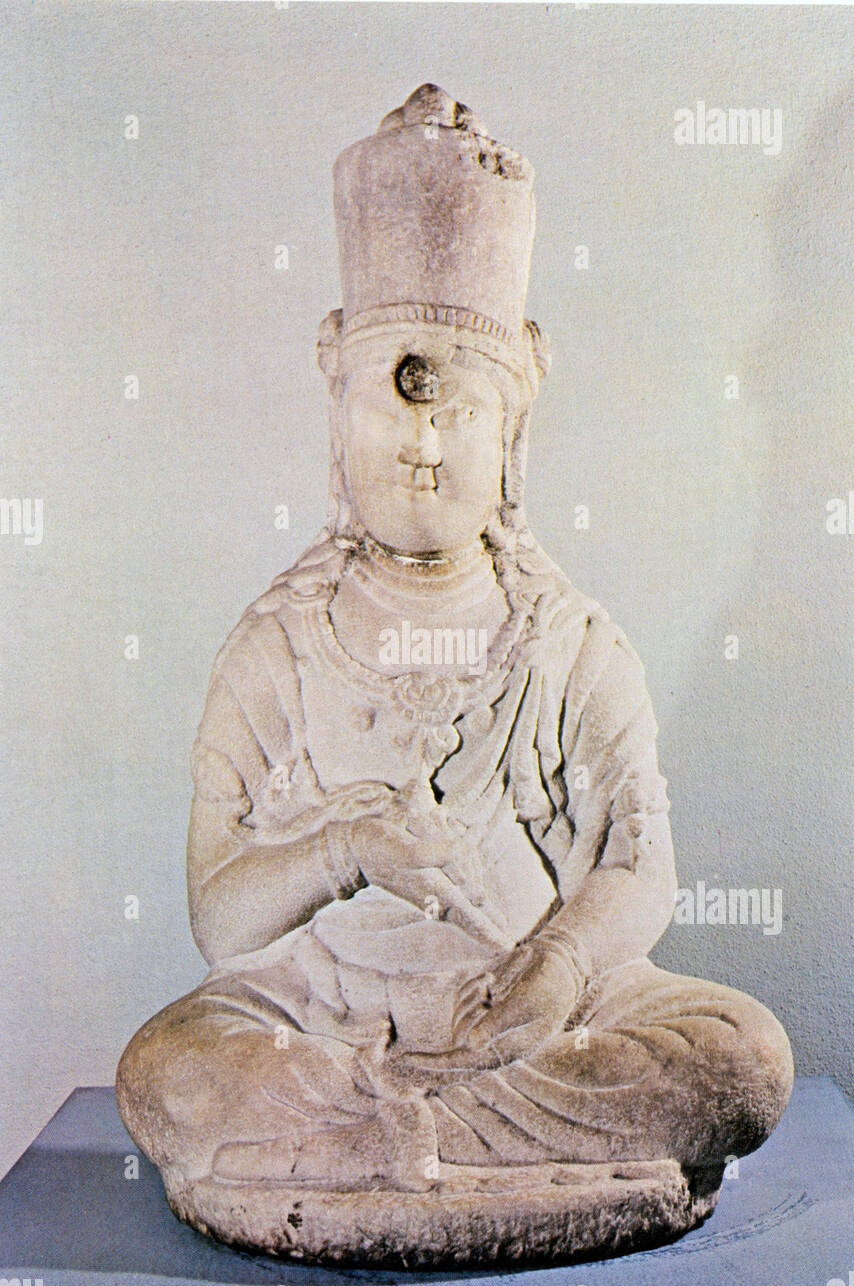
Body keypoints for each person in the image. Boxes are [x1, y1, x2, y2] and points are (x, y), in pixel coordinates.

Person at [118, 84, 792, 1211]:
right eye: (391, 403)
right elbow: (221, 920)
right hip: (322, 1019)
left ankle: (384, 1146)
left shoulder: (571, 645)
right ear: (335, 403)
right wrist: (347, 847)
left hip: (539, 1021)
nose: (422, 446)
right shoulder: (276, 649)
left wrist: (561, 966)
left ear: (515, 423)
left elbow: (639, 863)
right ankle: (470, 1151)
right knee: (171, 1070)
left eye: (460, 410)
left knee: (739, 1054)